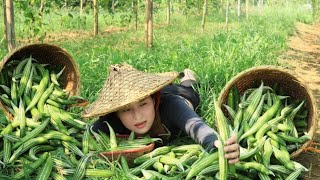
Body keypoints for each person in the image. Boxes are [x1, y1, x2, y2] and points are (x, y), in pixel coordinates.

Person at [82, 63, 239, 164]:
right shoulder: (109, 121)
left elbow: (196, 126)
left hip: (181, 96)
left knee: (189, 90)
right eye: (127, 109)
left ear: (154, 101)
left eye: (143, 104)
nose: (138, 116)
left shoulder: (172, 106)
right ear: (116, 113)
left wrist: (216, 144)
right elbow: (86, 135)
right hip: (159, 94)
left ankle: (187, 76)